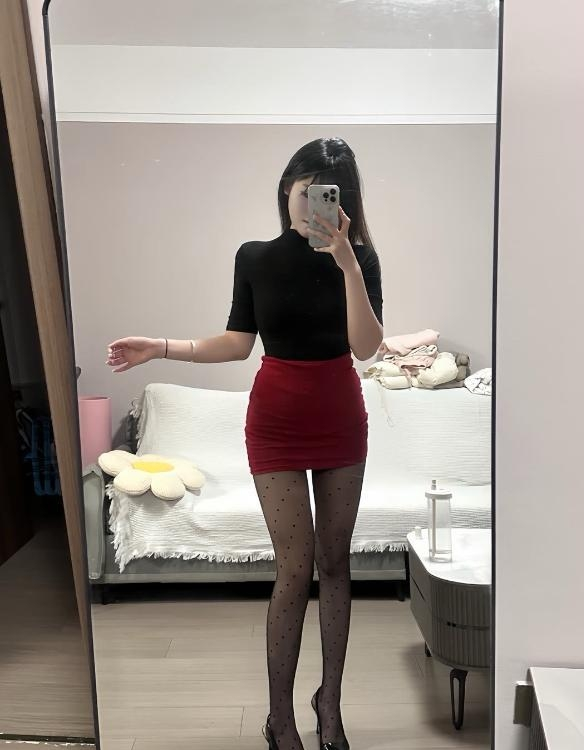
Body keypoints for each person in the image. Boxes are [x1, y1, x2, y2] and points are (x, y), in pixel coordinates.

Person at [106, 137, 384, 750]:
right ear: (287, 188)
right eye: (305, 188)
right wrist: (161, 347)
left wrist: (347, 265)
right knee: (295, 567)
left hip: (341, 418)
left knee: (336, 565)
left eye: (327, 192)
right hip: (276, 423)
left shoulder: (361, 259)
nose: (312, 201)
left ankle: (330, 705)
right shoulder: (254, 257)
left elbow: (366, 347)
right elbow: (237, 342)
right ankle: (279, 717)